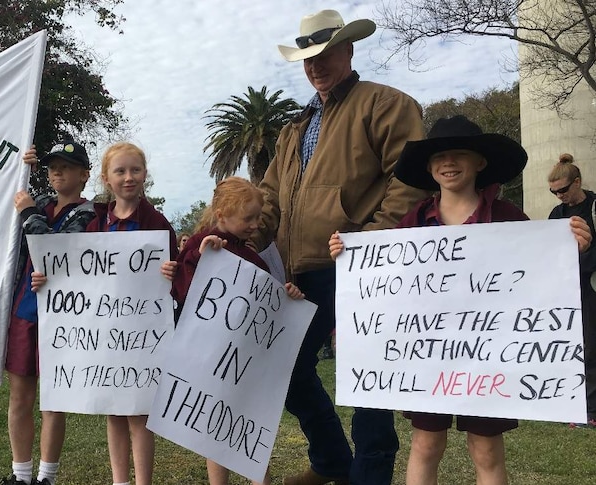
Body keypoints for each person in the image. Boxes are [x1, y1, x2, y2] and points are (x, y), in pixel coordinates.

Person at [330, 115, 592, 485]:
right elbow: (382, 281)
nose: (448, 163)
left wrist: (571, 249)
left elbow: (540, 272)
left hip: (489, 358)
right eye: (439, 156)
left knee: (486, 450)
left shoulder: (507, 218)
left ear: (480, 162)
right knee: (424, 445)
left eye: (459, 154)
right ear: (429, 167)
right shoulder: (414, 222)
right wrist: (347, 253)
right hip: (427, 358)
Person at [251, 9, 429, 485]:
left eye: (325, 54)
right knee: (287, 370)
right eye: (308, 58)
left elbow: (411, 178)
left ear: (349, 50)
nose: (316, 65)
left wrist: (369, 241)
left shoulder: (386, 105)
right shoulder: (294, 128)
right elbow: (269, 199)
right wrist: (237, 240)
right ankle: (332, 462)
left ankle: (368, 476)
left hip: (362, 265)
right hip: (301, 271)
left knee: (368, 379)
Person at [32, 142, 176, 485]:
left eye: (135, 170)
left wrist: (174, 271)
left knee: (139, 415)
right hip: (106, 337)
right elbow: (71, 270)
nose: (129, 177)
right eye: (120, 171)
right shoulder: (96, 223)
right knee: (114, 411)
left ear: (145, 176)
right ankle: (119, 481)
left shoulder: (156, 223)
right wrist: (46, 279)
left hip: (140, 338)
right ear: (106, 179)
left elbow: (180, 272)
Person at [167, 177, 305, 485]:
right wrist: (201, 257)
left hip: (245, 362)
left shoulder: (256, 258)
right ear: (222, 214)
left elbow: (270, 309)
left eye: (258, 217)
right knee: (213, 427)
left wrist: (289, 296)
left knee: (249, 424)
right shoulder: (198, 245)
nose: (256, 224)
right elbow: (183, 295)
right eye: (249, 218)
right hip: (209, 360)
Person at [0, 137, 97, 485]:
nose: (57, 172)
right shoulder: (38, 202)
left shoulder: (89, 214)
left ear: (85, 175)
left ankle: (47, 476)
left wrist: (27, 213)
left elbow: (52, 250)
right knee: (20, 395)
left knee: (54, 399)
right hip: (25, 311)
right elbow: (2, 196)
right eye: (53, 166)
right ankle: (20, 474)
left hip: (64, 318)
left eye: (66, 167)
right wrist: (20, 168)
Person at [547, 153, 596, 428]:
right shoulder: (557, 214)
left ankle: (589, 410)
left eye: (563, 190)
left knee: (590, 347)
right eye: (553, 192)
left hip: (591, 288)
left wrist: (586, 252)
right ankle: (572, 403)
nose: (559, 196)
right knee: (570, 346)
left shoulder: (593, 206)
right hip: (566, 288)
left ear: (577, 182)